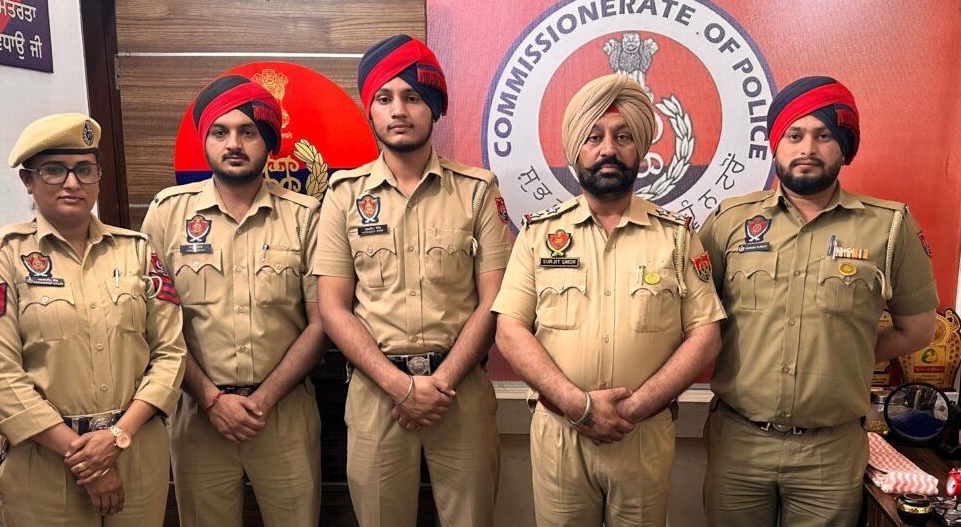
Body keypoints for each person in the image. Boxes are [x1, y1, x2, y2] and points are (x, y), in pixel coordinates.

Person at [700, 75, 939, 526]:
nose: (807, 147)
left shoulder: (889, 227)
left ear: (844, 148)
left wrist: (844, 349)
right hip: (739, 445)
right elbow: (696, 320)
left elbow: (918, 330)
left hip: (831, 453)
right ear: (775, 144)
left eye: (824, 135)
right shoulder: (730, 222)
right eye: (794, 135)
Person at [492, 73, 725, 527]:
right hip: (560, 433)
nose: (608, 150)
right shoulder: (538, 235)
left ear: (641, 150)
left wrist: (635, 408)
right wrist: (577, 405)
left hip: (642, 432)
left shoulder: (677, 237)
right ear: (575, 150)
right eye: (593, 137)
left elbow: (706, 335)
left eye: (623, 137)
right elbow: (509, 330)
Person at [314, 35, 511, 526]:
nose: (398, 110)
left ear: (434, 108)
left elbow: (495, 301)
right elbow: (333, 308)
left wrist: (439, 383)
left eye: (413, 97)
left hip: (460, 393)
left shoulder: (477, 191)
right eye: (384, 98)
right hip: (376, 394)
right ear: (369, 110)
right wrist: (399, 386)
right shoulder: (343, 195)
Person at [0, 113, 185, 526]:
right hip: (45, 463)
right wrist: (90, 463)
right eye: (54, 170)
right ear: (28, 180)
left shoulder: (138, 251)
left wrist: (117, 438)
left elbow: (170, 353)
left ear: (98, 178)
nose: (72, 183)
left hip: (136, 451)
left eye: (84, 169)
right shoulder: (1, 257)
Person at [141, 74, 326, 527]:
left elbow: (322, 323)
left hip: (284, 413)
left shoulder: (305, 217)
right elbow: (153, 324)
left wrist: (262, 399)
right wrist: (210, 399)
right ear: (205, 141)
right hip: (198, 414)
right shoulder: (167, 214)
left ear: (269, 143)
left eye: (248, 132)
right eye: (220, 132)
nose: (234, 144)